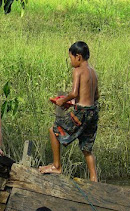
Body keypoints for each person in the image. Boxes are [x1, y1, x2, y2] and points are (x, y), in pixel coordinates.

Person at [39, 41, 99, 182]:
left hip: (82, 113)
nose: (71, 61)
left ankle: (56, 166)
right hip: (93, 112)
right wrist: (73, 103)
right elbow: (95, 96)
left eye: (71, 58)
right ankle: (94, 178)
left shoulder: (77, 71)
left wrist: (63, 101)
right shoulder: (93, 72)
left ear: (78, 57)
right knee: (86, 147)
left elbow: (73, 93)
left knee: (53, 130)